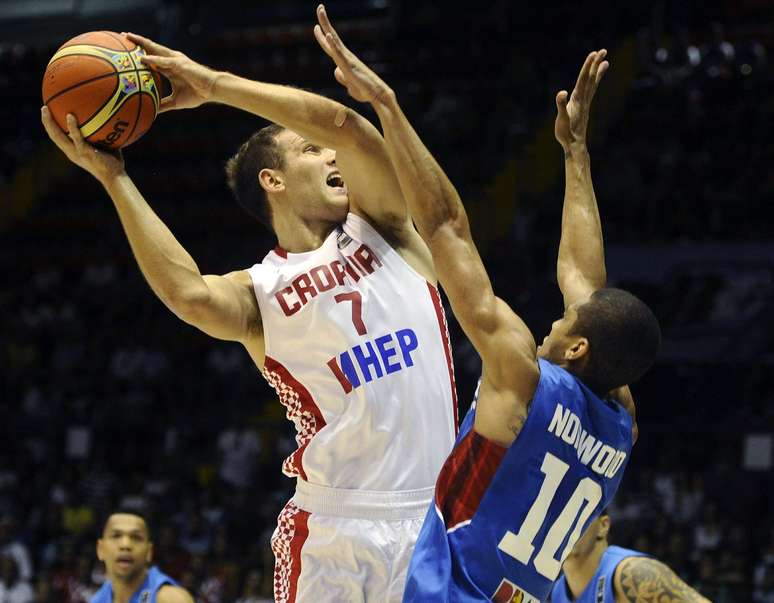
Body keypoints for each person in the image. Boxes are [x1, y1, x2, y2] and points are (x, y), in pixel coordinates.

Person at [41, 23, 458, 601]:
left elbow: (352, 131)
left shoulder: (388, 230)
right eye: (309, 151)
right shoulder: (258, 292)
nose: (331, 153)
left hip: (440, 513)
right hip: (336, 530)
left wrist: (214, 84)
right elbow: (187, 294)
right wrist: (114, 178)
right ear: (273, 180)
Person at [313, 6, 660, 602]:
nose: (553, 320)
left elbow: (445, 226)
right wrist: (575, 153)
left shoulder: (522, 378)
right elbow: (585, 280)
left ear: (577, 347)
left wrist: (388, 108)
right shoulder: (623, 421)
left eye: (562, 322)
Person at [549, 512, 711, 602]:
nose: (565, 525)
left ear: (603, 526)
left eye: (579, 514)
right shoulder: (557, 591)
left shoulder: (634, 573)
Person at [91, 512, 193, 603]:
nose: (125, 545)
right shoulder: (97, 599)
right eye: (116, 536)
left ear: (149, 552)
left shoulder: (171, 598)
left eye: (136, 537)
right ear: (100, 549)